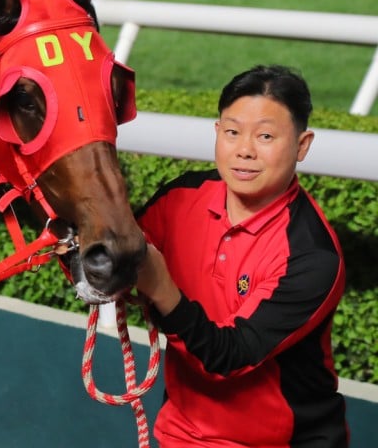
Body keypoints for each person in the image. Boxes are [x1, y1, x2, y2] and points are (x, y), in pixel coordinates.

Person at [134, 65, 348, 447]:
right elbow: (112, 259)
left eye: (265, 136)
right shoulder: (181, 198)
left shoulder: (311, 255)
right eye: (232, 132)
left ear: (302, 145)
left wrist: (160, 288)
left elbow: (228, 356)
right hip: (181, 435)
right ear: (217, 132)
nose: (245, 150)